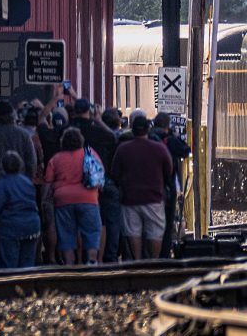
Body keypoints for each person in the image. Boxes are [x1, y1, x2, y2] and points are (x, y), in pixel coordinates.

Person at [111, 114, 173, 259]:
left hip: (130, 198)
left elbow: (114, 172)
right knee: (155, 231)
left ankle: (137, 262)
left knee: (133, 232)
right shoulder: (159, 149)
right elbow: (168, 170)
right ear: (148, 129)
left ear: (132, 129)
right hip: (154, 197)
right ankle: (153, 261)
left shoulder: (123, 149)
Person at [70, 99, 119, 261]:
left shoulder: (69, 129)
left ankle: (77, 258)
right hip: (97, 183)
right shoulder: (97, 131)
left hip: (73, 183)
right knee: (102, 223)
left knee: (76, 224)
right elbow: (113, 138)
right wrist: (98, 120)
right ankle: (98, 258)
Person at [44, 127, 101, 264]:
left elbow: (48, 182)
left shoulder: (56, 158)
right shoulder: (89, 153)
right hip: (88, 197)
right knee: (92, 230)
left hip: (63, 200)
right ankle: (92, 259)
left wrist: (45, 200)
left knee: (66, 233)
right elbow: (99, 173)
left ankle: (69, 263)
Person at [0, 151, 41, 268]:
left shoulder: (1, 184)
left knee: (10, 265)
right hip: (32, 225)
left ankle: (12, 285)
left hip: (11, 227)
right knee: (27, 264)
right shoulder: (27, 182)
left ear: (3, 166)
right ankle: (27, 285)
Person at [152, 112, 190, 257]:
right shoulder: (169, 140)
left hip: (147, 186)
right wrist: (175, 135)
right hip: (166, 186)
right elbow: (185, 150)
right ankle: (163, 254)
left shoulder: (147, 136)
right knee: (167, 224)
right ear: (167, 126)